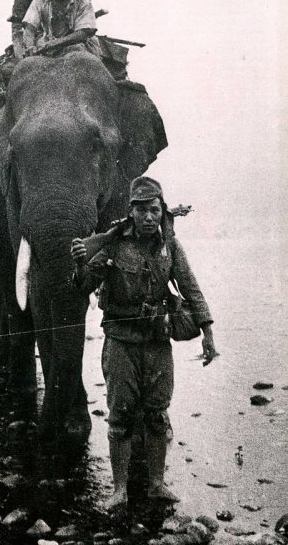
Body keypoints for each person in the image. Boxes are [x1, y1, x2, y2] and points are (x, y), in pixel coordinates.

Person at [70, 176, 216, 512]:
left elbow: (191, 289)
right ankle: (119, 489)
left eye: (154, 210)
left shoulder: (171, 247)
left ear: (162, 211)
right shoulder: (111, 245)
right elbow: (82, 287)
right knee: (120, 416)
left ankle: (156, 485)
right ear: (131, 212)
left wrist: (208, 332)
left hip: (157, 342)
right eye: (142, 210)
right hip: (121, 343)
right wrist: (80, 262)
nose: (149, 217)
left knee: (157, 415)